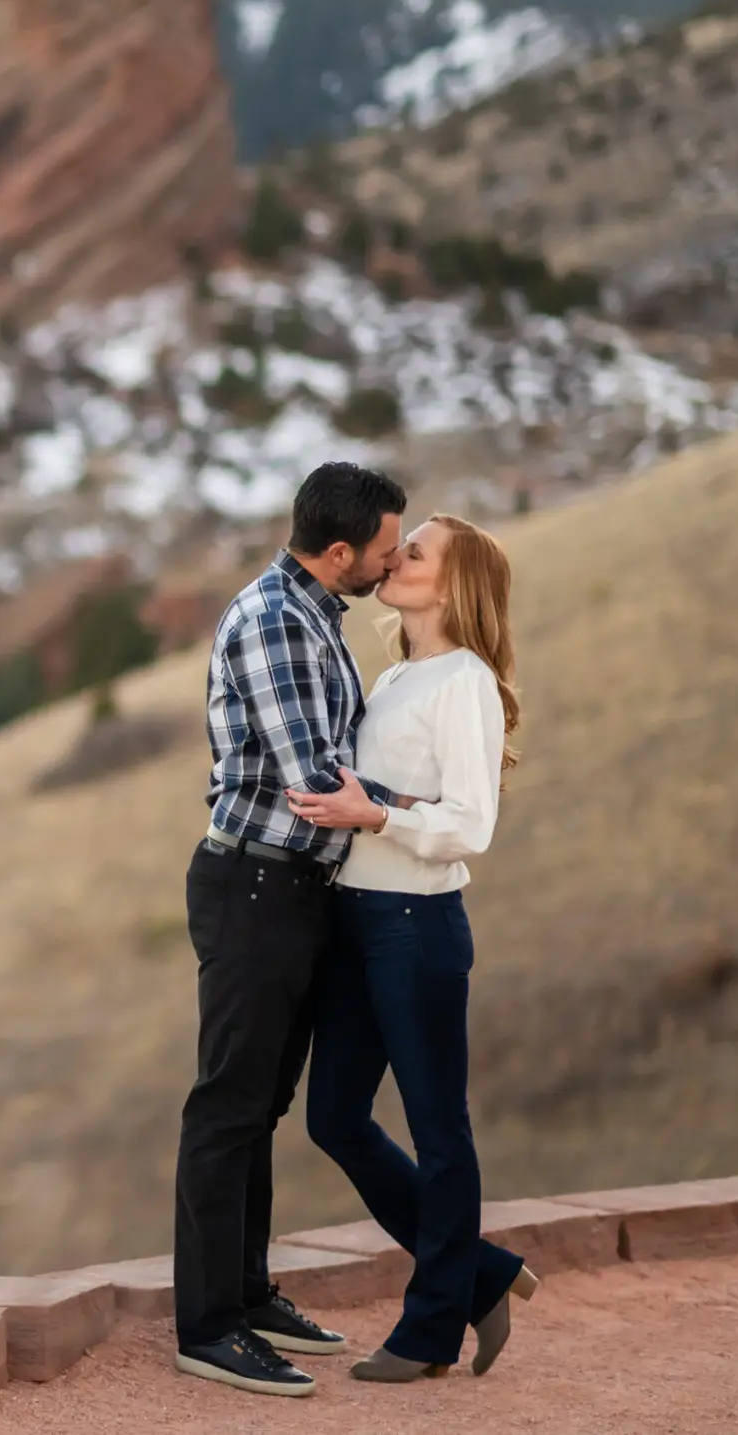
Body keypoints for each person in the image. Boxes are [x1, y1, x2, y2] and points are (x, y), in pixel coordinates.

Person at [172, 462, 407, 1399]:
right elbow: (320, 781)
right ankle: (208, 1326)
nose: (392, 566)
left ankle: (249, 1292)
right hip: (255, 888)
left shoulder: (315, 614)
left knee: (260, 1105)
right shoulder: (276, 619)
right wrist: (431, 803)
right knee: (227, 1108)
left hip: (293, 891)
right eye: (384, 552)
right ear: (339, 550)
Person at [287, 513, 540, 1381]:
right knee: (334, 1117)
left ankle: (433, 1326)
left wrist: (376, 813)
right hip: (357, 923)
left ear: (453, 582)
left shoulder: (462, 680)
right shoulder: (396, 673)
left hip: (416, 928)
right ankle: (481, 1275)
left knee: (440, 1128)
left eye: (416, 551)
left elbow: (472, 824)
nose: (396, 559)